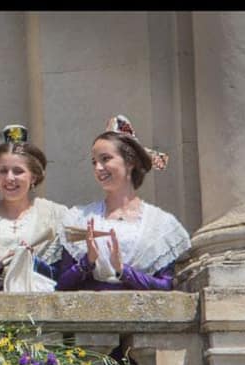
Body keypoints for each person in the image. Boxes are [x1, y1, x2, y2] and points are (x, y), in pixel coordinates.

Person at [56, 114, 190, 291]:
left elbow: (165, 285)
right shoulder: (79, 217)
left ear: (130, 162)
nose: (98, 168)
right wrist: (87, 262)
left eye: (106, 159)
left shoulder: (160, 224)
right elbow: (61, 284)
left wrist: (123, 271)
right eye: (94, 162)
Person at [0, 125, 68, 292]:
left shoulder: (54, 214)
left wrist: (31, 262)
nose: (10, 178)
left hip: (41, 306)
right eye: (3, 171)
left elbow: (62, 273)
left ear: (34, 176)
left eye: (18, 171)